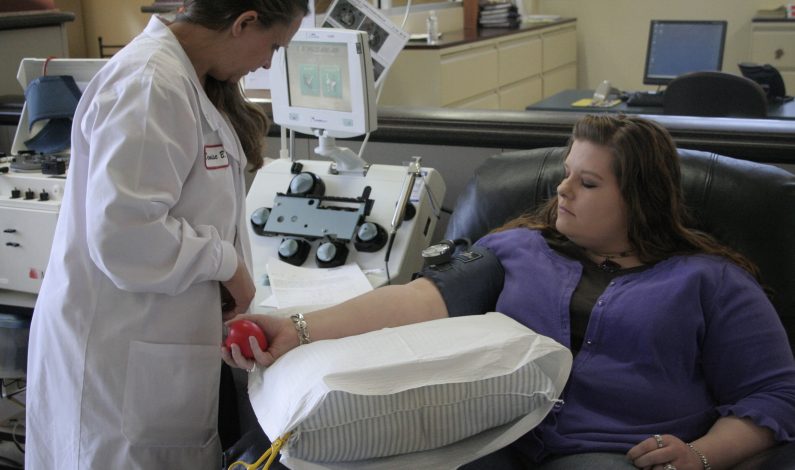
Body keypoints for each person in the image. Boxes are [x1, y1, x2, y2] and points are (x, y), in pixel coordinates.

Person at [224, 114, 795, 469]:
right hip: (494, 434)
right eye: (567, 171)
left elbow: (774, 394)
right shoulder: (519, 248)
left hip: (613, 451)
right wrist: (297, 329)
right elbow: (421, 300)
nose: (563, 188)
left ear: (639, 198)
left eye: (588, 182)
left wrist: (700, 455)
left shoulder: (710, 281)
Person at [25, 1, 308, 468]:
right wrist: (226, 264)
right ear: (245, 22)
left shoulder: (186, 79)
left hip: (151, 350)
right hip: (114, 367)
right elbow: (125, 236)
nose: (266, 62)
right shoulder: (150, 83)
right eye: (273, 46)